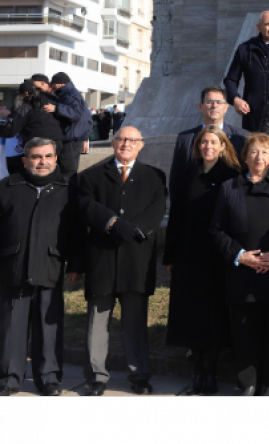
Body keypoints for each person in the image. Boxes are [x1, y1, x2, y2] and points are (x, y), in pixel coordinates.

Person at [77, 127, 168, 396]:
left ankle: (139, 375)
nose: (126, 143)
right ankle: (96, 377)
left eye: (132, 140)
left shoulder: (155, 176)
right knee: (97, 320)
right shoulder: (90, 175)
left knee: (135, 321)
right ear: (113, 143)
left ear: (141, 145)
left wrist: (136, 229)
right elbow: (84, 205)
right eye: (121, 139)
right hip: (102, 257)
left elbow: (157, 208)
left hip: (136, 259)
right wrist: (113, 222)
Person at [209, 133, 269, 396]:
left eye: (265, 152)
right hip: (242, 273)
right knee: (245, 330)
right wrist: (240, 255)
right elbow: (216, 229)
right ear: (245, 157)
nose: (259, 157)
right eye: (254, 152)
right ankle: (247, 383)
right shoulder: (229, 188)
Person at [0, 138, 82, 397]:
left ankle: (48, 378)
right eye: (36, 157)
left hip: (51, 264)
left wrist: (76, 263)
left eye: (48, 156)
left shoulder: (68, 189)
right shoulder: (7, 187)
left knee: (49, 326)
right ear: (25, 160)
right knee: (12, 326)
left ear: (56, 158)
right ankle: (10, 378)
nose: (42, 162)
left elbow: (77, 232)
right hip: (14, 266)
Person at [163, 127, 241, 395]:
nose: (208, 146)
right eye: (203, 142)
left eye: (213, 142)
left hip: (220, 252)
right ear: (197, 147)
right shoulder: (186, 176)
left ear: (222, 146)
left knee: (217, 311)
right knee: (192, 311)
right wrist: (170, 254)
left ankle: (213, 371)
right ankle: (198, 370)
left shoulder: (232, 176)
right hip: (189, 250)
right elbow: (176, 217)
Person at [224, 10, 269, 131]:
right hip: (253, 114)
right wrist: (235, 99)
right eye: (267, 24)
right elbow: (230, 79)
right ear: (259, 27)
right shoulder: (245, 49)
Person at [171, 86, 248, 193]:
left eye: (219, 102)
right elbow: (176, 180)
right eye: (209, 102)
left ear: (226, 107)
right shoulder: (185, 138)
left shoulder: (242, 137)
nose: (214, 105)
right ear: (200, 106)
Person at [1, 82, 65, 166]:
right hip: (56, 143)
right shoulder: (52, 103)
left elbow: (11, 130)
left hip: (37, 144)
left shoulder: (26, 106)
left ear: (26, 93)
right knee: (50, 169)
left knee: (36, 170)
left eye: (21, 95)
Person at [48, 72, 90, 179]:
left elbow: (75, 114)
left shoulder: (70, 95)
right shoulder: (71, 94)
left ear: (61, 84)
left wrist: (56, 108)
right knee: (66, 171)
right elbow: (88, 118)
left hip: (71, 140)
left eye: (54, 84)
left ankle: (68, 194)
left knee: (67, 172)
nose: (53, 87)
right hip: (73, 139)